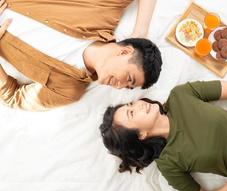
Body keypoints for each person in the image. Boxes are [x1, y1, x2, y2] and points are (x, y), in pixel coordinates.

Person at [0, 0, 162, 111]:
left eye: (128, 87)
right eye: (129, 78)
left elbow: (14, 97)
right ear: (125, 51)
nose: (120, 86)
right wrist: (140, 32)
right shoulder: (104, 10)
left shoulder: (68, 90)